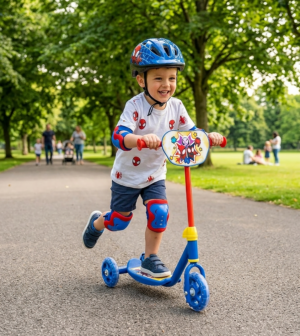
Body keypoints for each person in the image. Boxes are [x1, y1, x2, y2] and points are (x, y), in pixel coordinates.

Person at [82, 38, 224, 278]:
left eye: (172, 78)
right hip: (126, 176)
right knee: (119, 222)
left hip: (155, 175)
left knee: (160, 212)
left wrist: (207, 136)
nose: (166, 84)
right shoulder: (134, 106)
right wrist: (137, 139)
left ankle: (150, 259)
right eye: (158, 78)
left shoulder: (177, 106)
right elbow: (119, 135)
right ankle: (97, 222)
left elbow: (191, 132)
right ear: (141, 80)